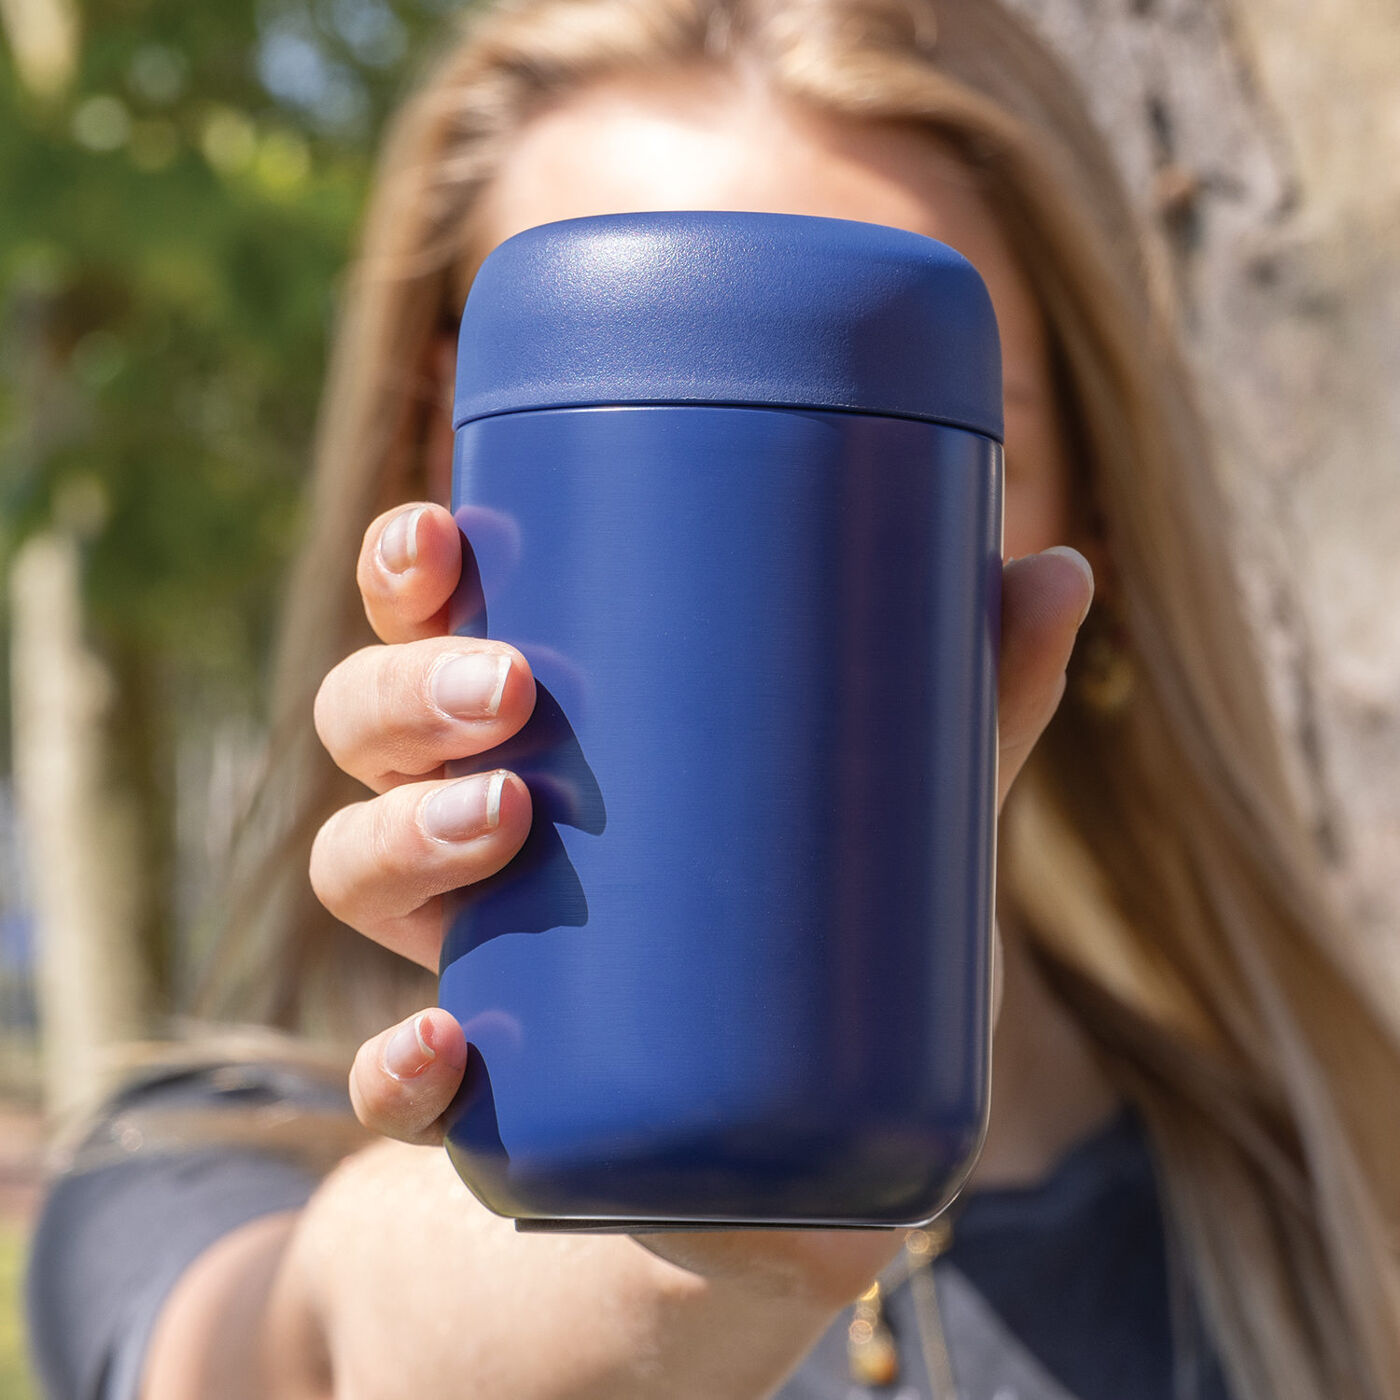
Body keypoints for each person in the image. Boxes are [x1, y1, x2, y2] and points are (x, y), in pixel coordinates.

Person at [23, 0, 1400, 1396]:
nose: (761, 593)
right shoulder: (182, 1180)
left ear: (1083, 503)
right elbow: (298, 1348)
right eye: (673, 433)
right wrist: (651, 1229)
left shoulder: (1341, 1212)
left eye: (852, 444)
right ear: (436, 458)